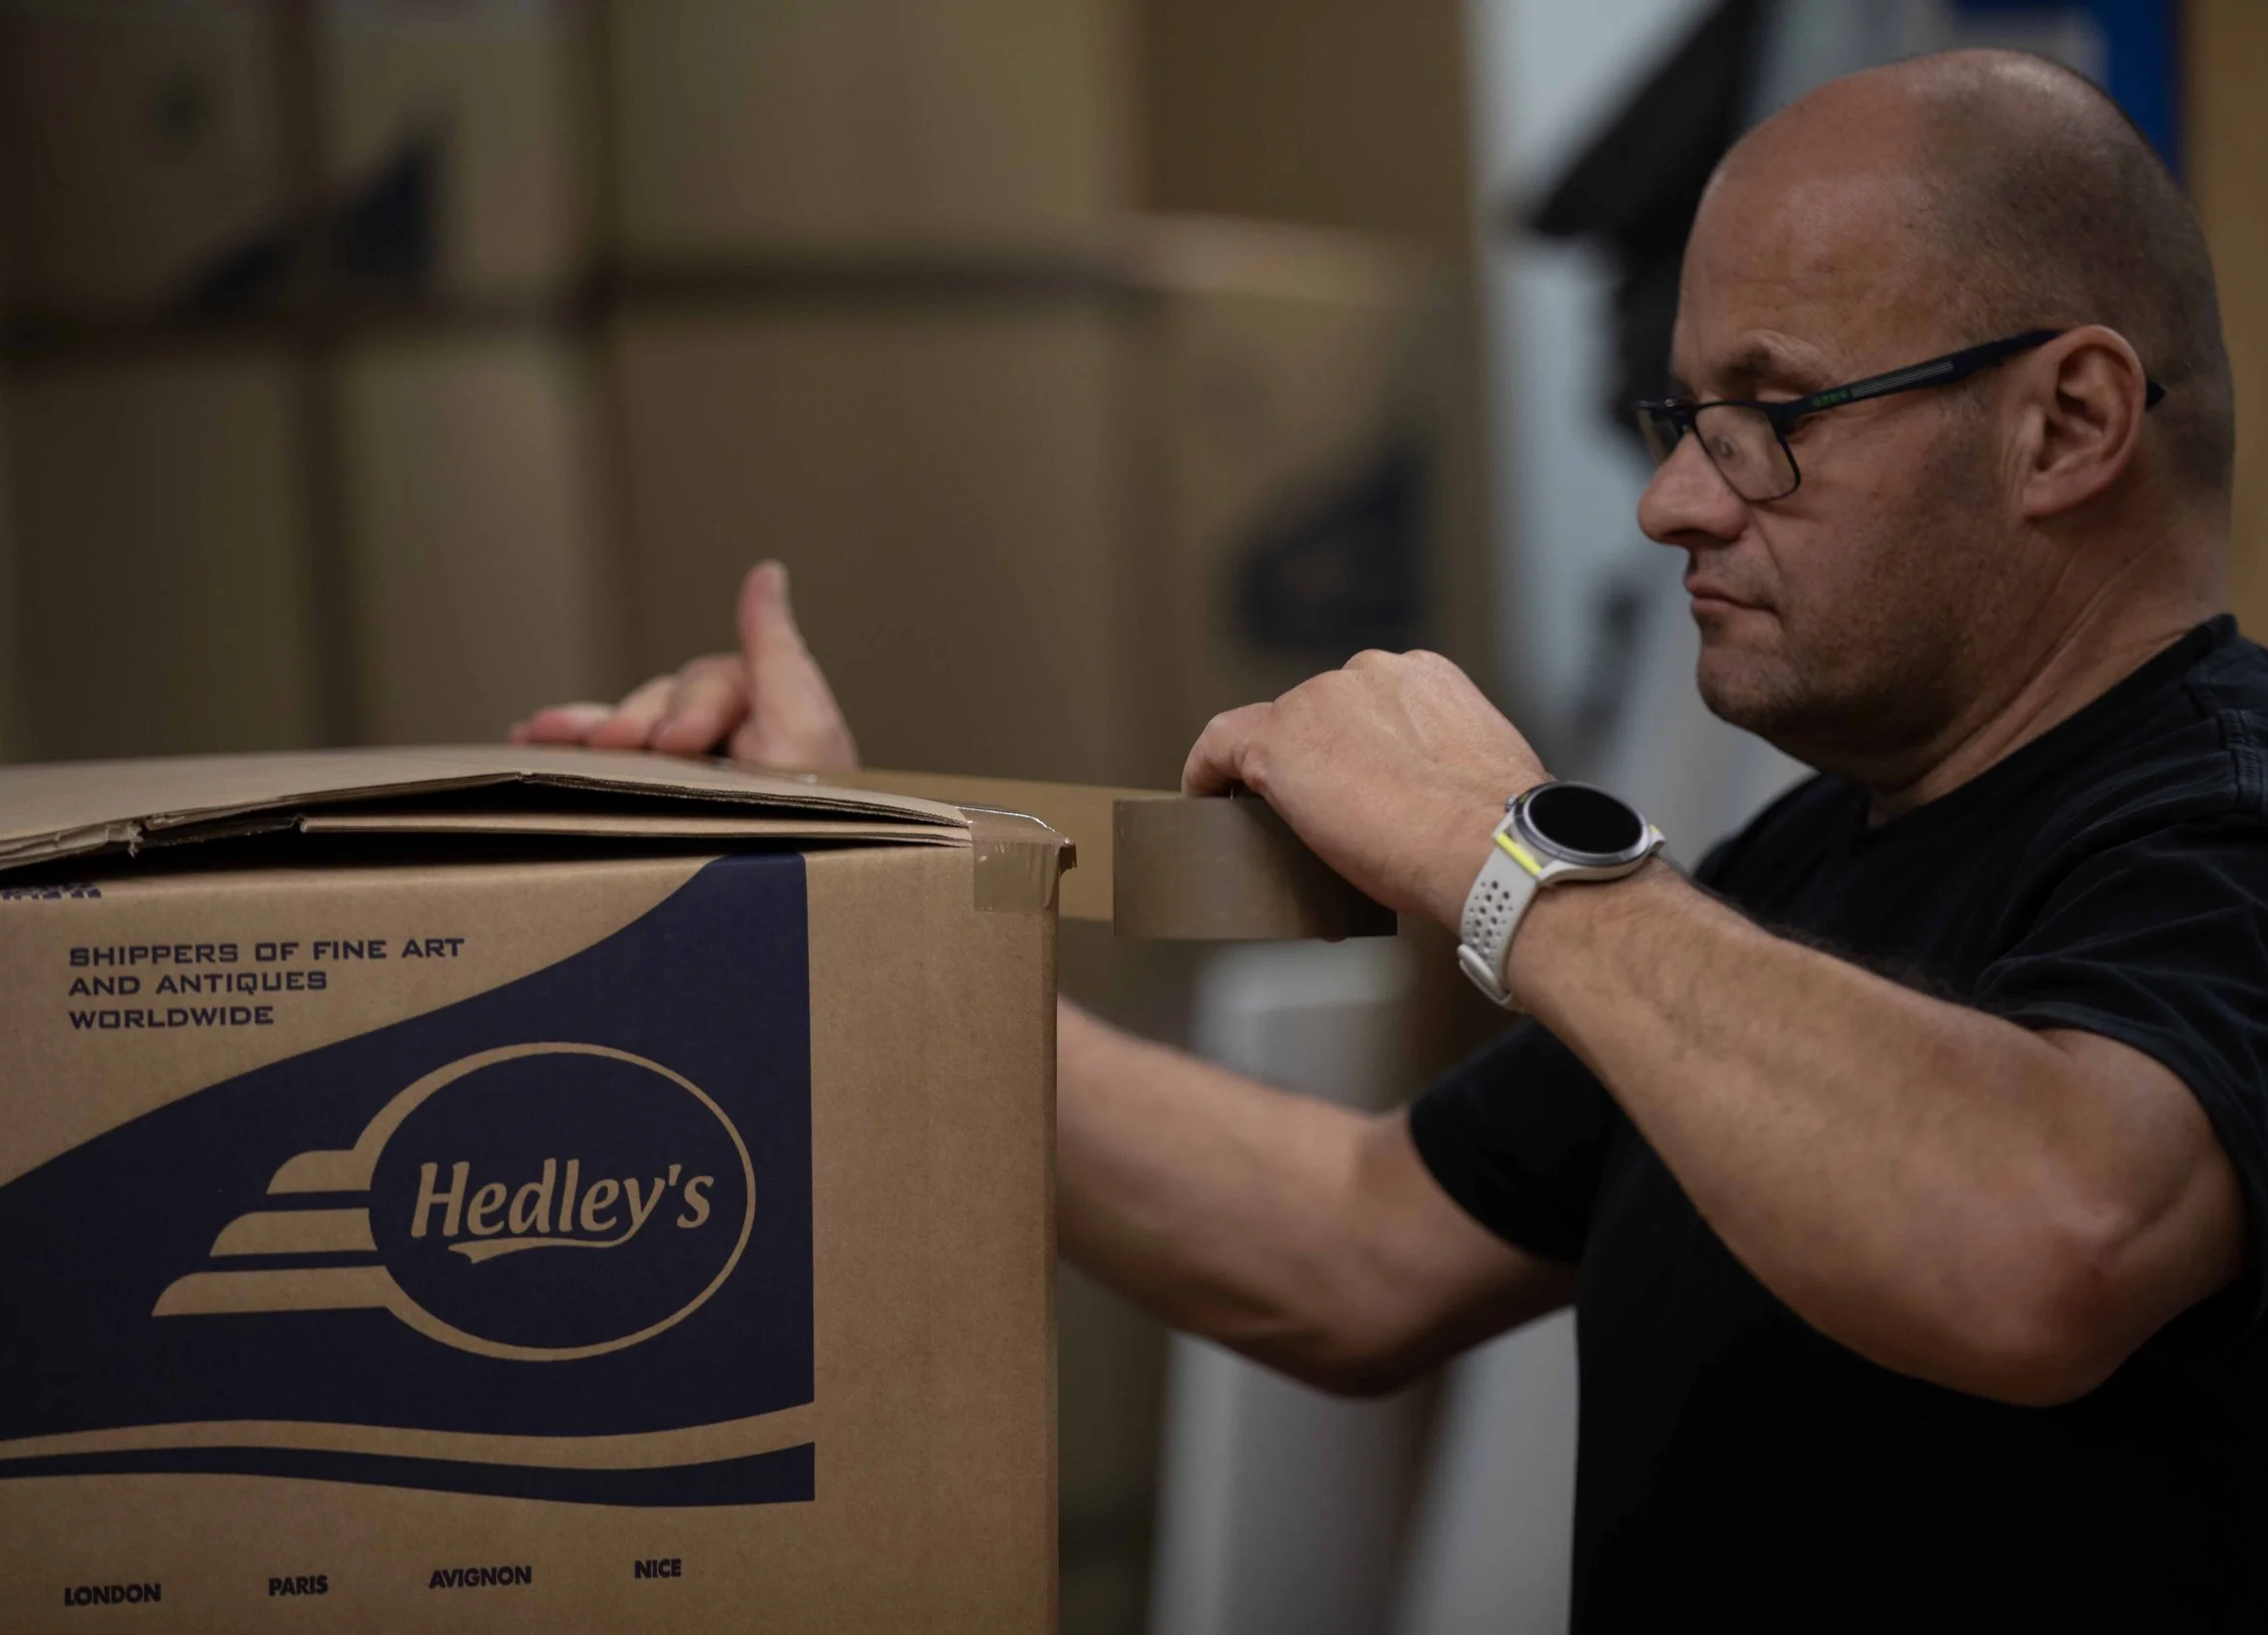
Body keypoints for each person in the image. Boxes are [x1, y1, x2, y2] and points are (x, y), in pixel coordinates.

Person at [519, 51, 2267, 1628]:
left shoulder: (2228, 821)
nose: (1673, 500)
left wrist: (1500, 852)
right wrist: (834, 904)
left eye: (1774, 417)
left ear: (2070, 422)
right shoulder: (1808, 874)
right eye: (1682, 421)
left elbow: (2055, 1238)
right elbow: (1354, 1246)